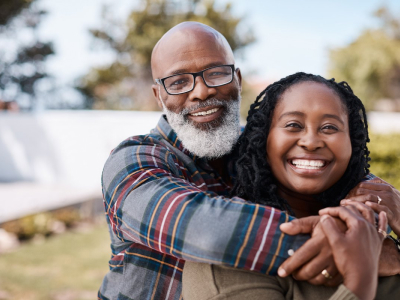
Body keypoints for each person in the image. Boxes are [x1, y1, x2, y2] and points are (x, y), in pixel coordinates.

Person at [98, 22, 400, 299]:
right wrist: (354, 249)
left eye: (216, 73)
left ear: (238, 79)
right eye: (178, 82)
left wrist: (372, 202)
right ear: (158, 95)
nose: (202, 92)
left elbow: (327, 164)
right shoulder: (134, 161)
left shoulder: (254, 145)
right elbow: (204, 228)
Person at [182, 73, 400, 300]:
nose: (311, 142)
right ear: (262, 140)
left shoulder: (374, 230)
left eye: (329, 127)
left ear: (352, 144)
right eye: (293, 125)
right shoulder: (225, 254)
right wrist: (360, 277)